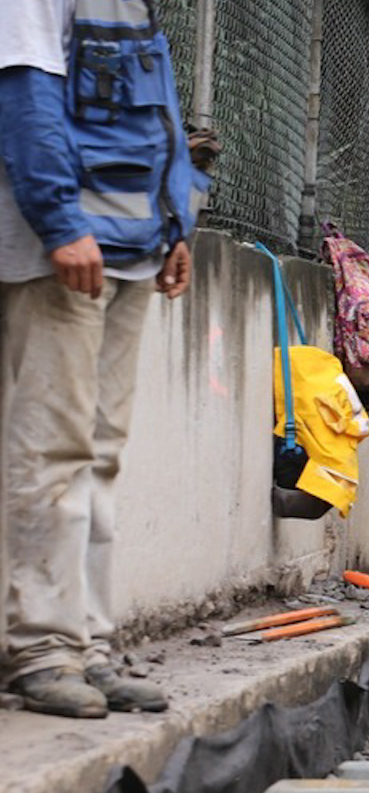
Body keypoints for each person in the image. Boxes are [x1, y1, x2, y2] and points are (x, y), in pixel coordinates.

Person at [1, 0, 202, 718]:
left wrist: (177, 224)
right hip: (64, 251)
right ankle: (43, 651)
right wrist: (60, 221)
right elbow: (25, 95)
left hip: (133, 250)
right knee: (53, 450)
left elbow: (162, 119)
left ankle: (88, 647)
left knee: (99, 453)